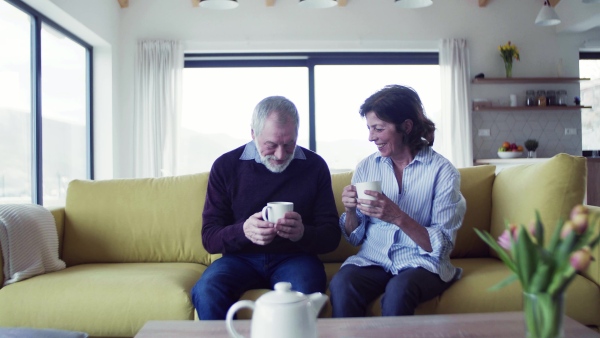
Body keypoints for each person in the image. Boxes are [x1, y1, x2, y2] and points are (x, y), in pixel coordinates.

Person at [192, 95, 341, 320]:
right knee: (207, 290)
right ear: (253, 133)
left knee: (306, 293)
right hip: (239, 259)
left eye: (289, 144)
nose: (281, 155)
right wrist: (243, 231)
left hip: (295, 258)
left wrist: (303, 233)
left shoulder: (314, 166)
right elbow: (209, 237)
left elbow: (331, 236)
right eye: (271, 145)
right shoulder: (226, 166)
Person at [329, 85, 466, 317]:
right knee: (342, 284)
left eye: (378, 129)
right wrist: (351, 211)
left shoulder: (443, 172)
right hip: (374, 260)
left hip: (420, 263)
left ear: (406, 126)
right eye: (369, 129)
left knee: (399, 291)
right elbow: (354, 238)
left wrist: (397, 216)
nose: (371, 137)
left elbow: (441, 247)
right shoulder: (366, 167)